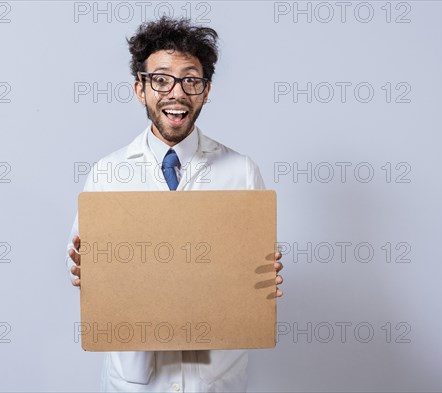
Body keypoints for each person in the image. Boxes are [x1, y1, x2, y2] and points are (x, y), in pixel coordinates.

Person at [67, 17, 284, 392]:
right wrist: (85, 270)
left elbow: (253, 264)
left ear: (205, 90)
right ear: (141, 88)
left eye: (191, 80)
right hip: (135, 380)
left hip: (214, 379)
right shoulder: (107, 172)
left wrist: (263, 275)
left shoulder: (241, 171)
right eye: (162, 79)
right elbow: (82, 261)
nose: (177, 93)